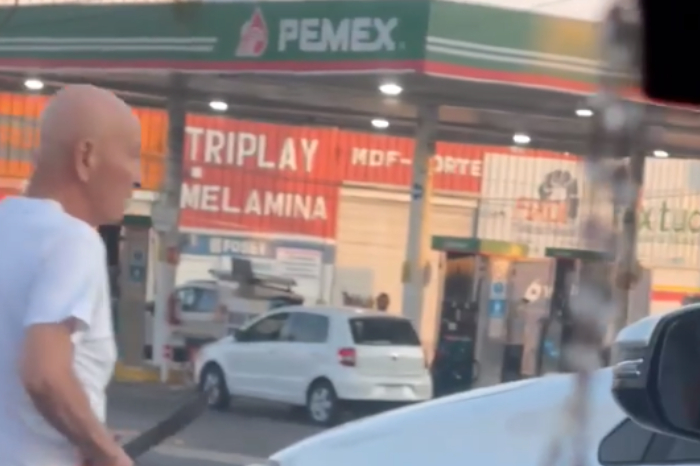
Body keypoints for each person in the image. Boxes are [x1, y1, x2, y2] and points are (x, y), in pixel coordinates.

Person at [0, 85, 141, 466]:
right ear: (86, 157)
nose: (138, 176)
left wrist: (86, 430)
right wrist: (108, 453)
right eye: (132, 155)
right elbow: (43, 374)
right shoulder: (73, 240)